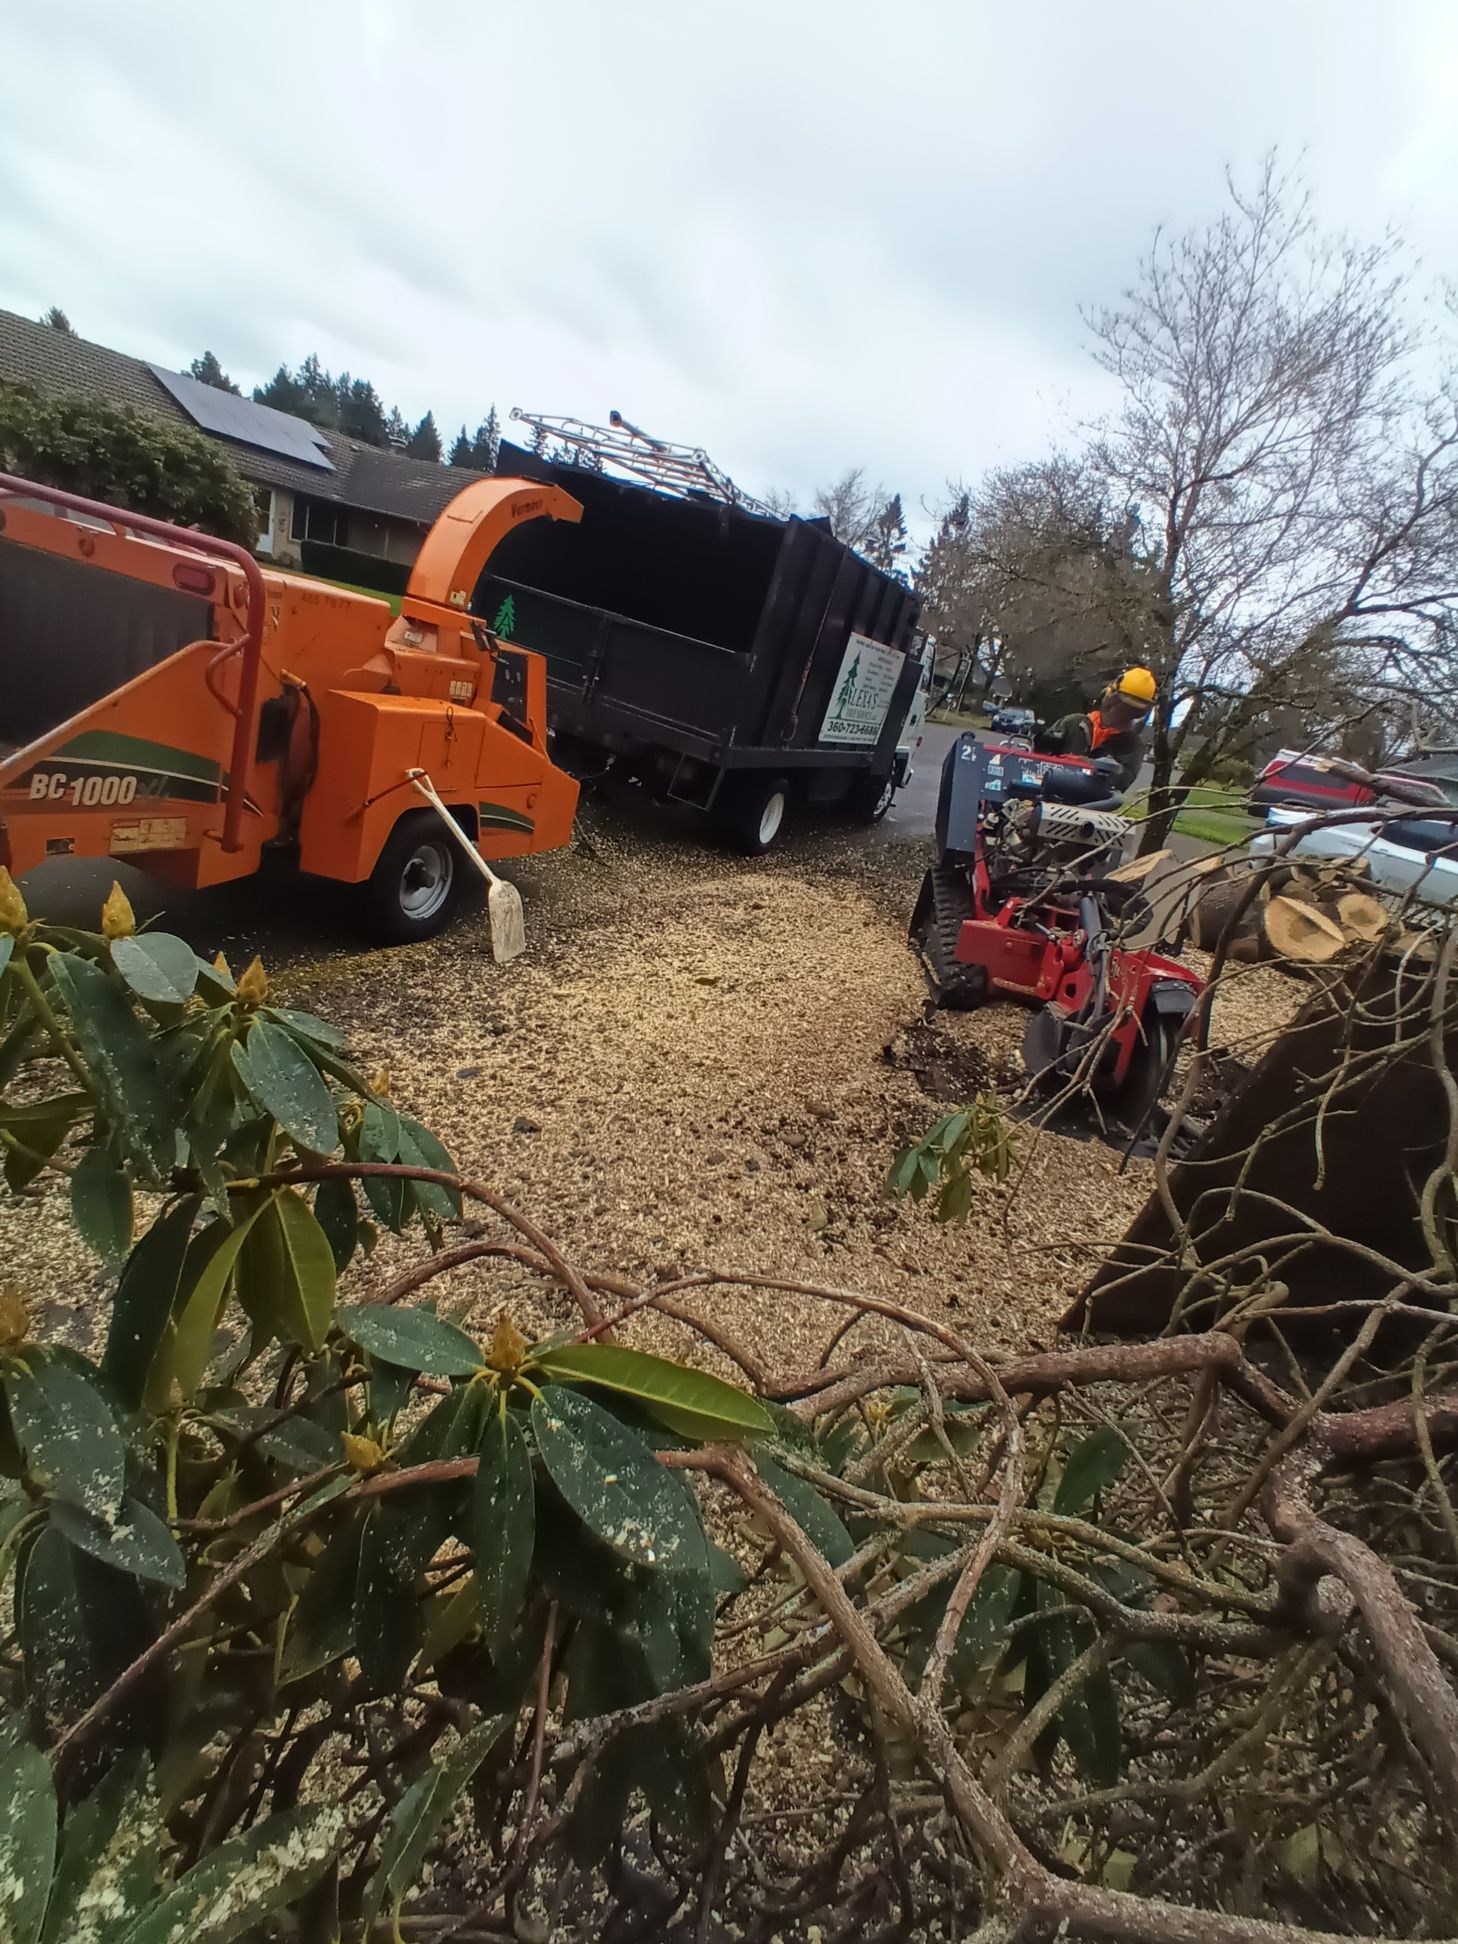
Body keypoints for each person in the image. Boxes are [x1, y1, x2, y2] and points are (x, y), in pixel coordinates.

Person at [1035, 666, 1157, 794]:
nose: (1125, 712)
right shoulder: (1073, 723)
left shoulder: (1132, 746)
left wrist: (1086, 765)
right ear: (1111, 697)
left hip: (1090, 804)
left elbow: (1122, 781)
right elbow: (1036, 757)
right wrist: (1041, 743)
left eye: (1132, 709)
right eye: (1122, 705)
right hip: (1049, 792)